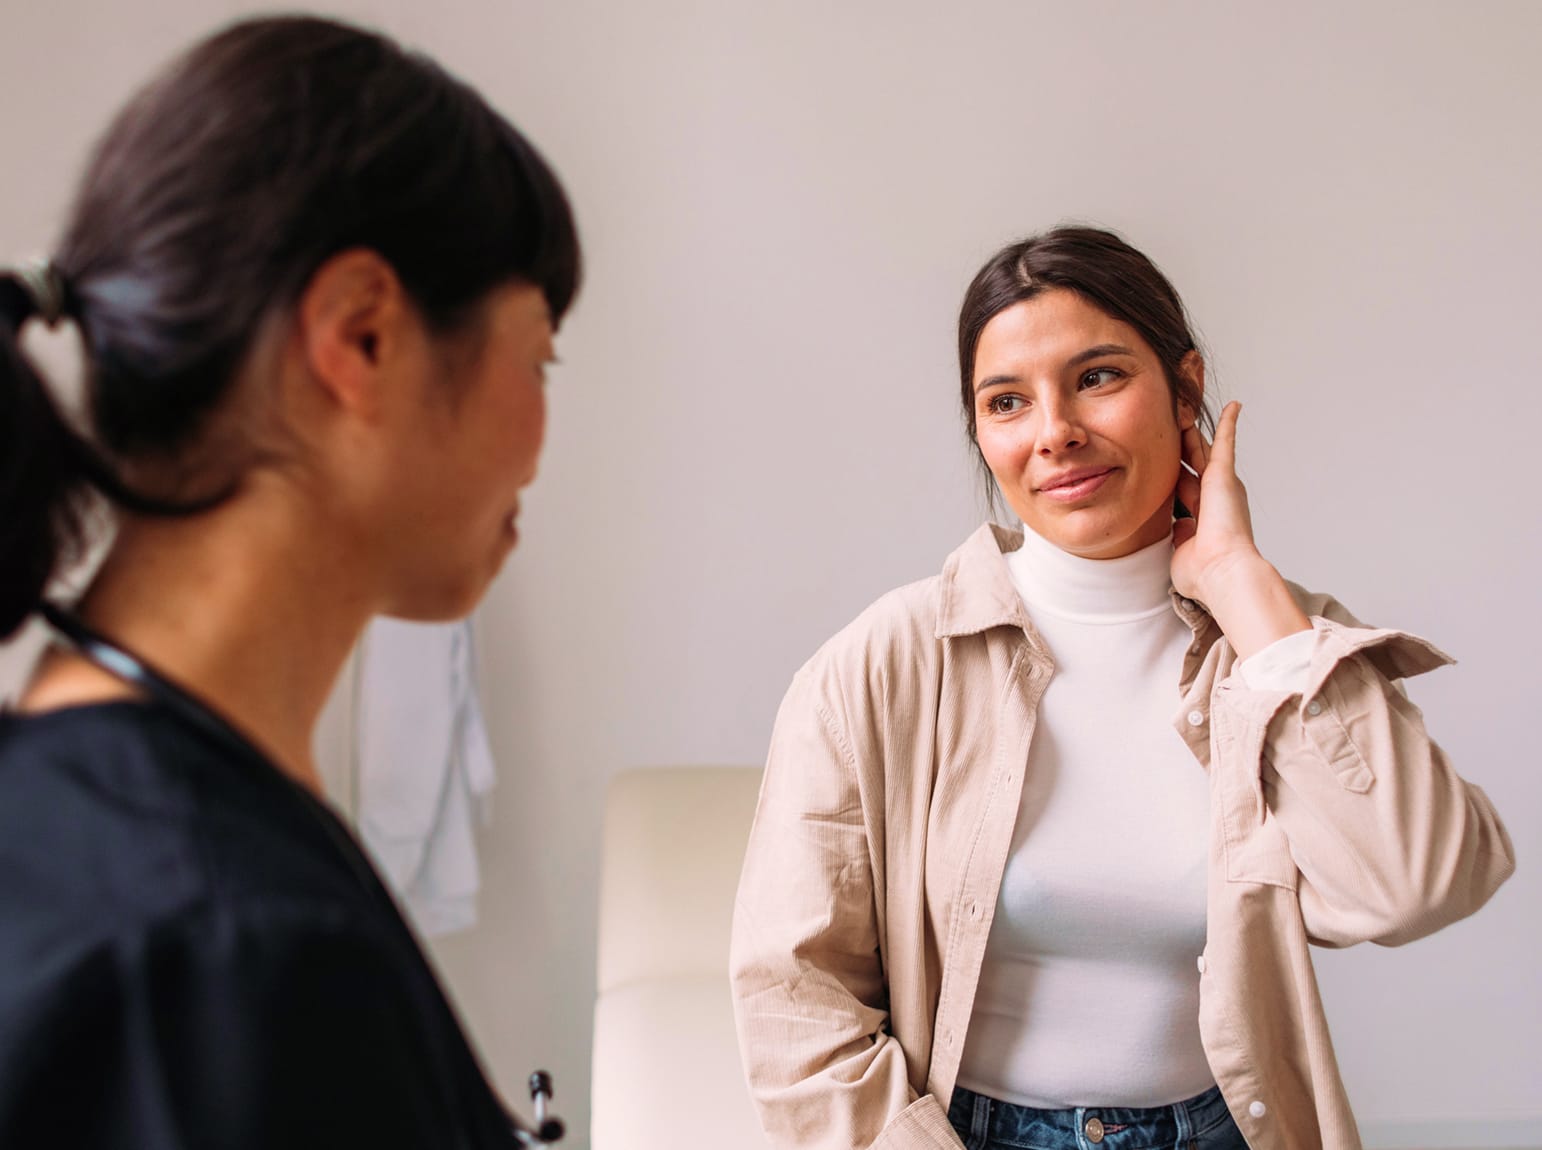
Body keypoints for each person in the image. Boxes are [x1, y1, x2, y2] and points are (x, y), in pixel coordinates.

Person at [729, 226, 1513, 1150]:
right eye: (1008, 402)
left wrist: (1239, 579)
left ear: (1185, 388)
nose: (1056, 432)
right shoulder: (884, 662)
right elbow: (793, 996)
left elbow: (1419, 885)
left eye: (1097, 377)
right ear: (982, 435)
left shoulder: (1274, 644)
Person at [0, 15, 578, 1148]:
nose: (545, 430)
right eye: (539, 354)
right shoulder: (224, 946)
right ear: (361, 336)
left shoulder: (97, 820)